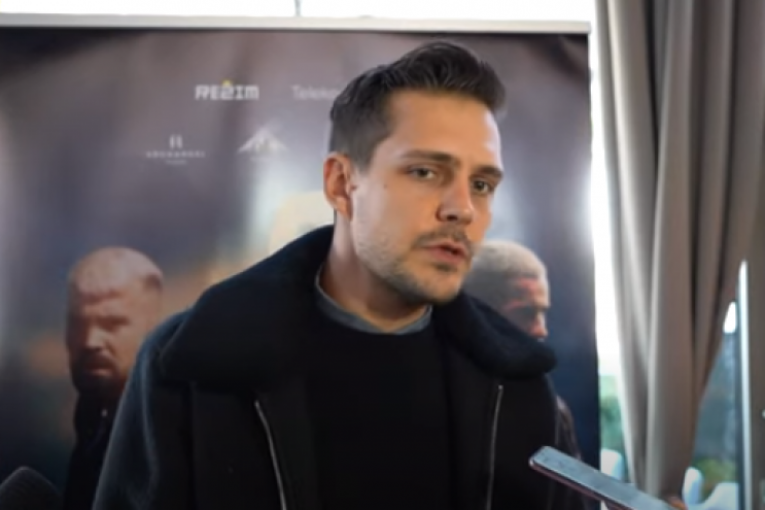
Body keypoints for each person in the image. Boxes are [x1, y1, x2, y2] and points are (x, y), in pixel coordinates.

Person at [94, 41, 586, 510]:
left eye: (481, 184)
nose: (462, 208)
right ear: (342, 183)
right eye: (425, 172)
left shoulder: (520, 389)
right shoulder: (189, 370)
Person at [62, 247, 163, 510]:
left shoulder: (168, 436)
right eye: (78, 323)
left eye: (111, 324)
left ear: (153, 327)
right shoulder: (92, 417)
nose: (90, 341)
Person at [463, 239, 582, 459]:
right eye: (526, 313)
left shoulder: (553, 411)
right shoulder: (435, 401)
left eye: (542, 313)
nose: (541, 330)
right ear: (480, 313)